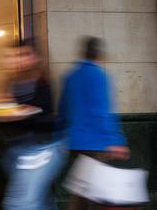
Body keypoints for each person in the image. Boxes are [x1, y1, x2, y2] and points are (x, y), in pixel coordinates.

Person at [0, 39, 66, 210]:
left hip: (41, 150)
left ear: (35, 58)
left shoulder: (42, 83)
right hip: (18, 152)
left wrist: (26, 112)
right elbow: (5, 114)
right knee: (40, 202)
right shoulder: (11, 84)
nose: (20, 60)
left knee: (19, 204)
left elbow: (48, 119)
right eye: (17, 55)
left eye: (25, 55)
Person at [59, 36, 130, 210]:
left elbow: (63, 109)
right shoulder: (101, 76)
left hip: (75, 142)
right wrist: (116, 140)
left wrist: (60, 136)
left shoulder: (70, 76)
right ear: (99, 55)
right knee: (99, 194)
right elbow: (103, 111)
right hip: (96, 143)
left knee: (85, 190)